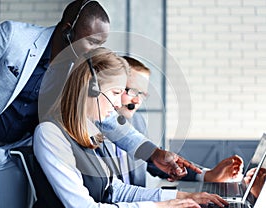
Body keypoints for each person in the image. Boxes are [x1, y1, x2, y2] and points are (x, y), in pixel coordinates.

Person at [0, 0, 201, 206]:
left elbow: (108, 117)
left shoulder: (77, 71)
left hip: (8, 154)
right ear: (67, 31)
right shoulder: (14, 37)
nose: (93, 52)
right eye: (91, 43)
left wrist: (154, 153)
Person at [33, 47, 228, 208]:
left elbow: (115, 190)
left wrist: (180, 197)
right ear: (90, 88)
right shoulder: (51, 134)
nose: (118, 103)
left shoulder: (88, 131)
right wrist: (162, 206)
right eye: (116, 92)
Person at [103, 56, 243, 186]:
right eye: (132, 91)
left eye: (142, 94)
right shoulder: (92, 127)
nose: (137, 101)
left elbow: (153, 162)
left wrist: (207, 175)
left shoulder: (137, 121)